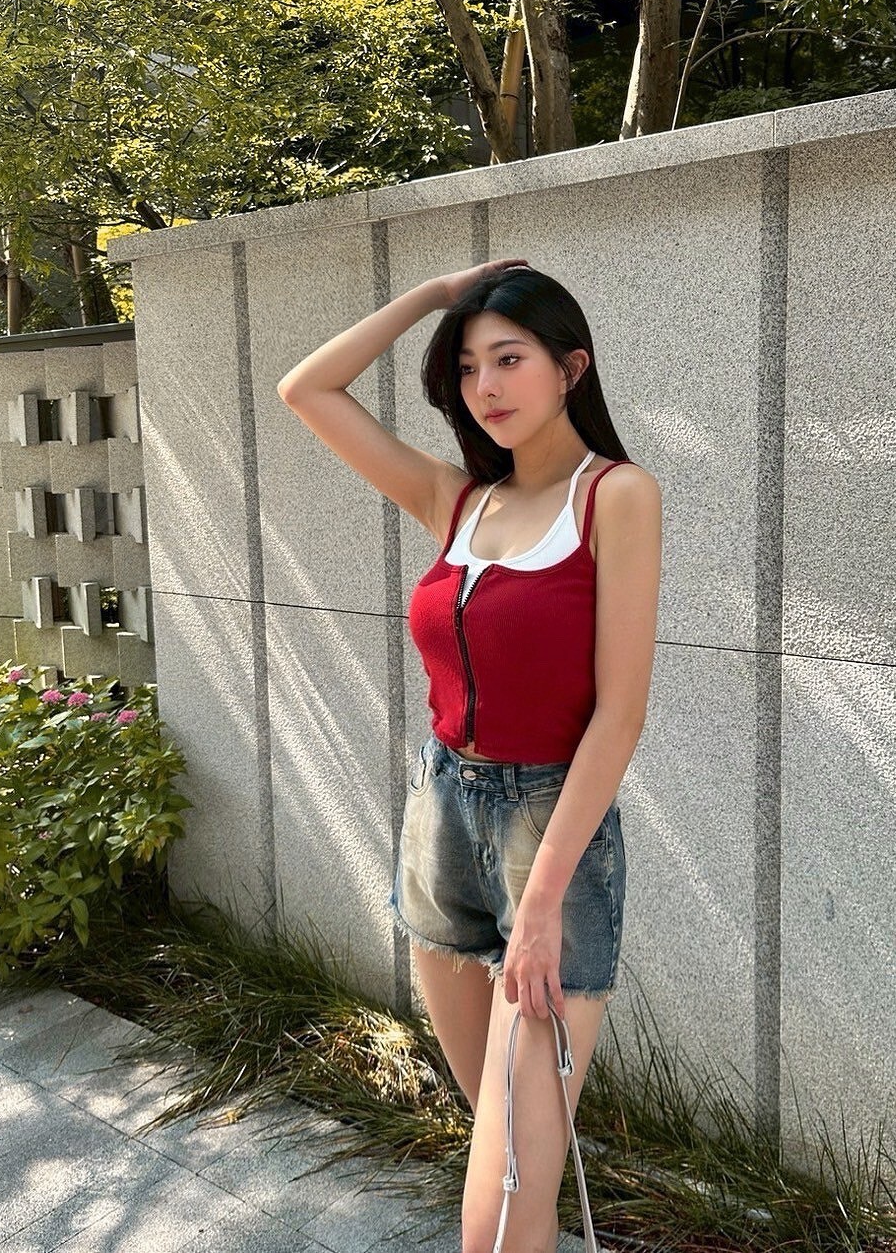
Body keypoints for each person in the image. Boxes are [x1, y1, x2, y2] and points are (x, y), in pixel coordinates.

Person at [277, 258, 661, 1252]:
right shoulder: (458, 501)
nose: (485, 385)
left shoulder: (615, 496)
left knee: (500, 1202)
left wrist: (541, 904)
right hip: (440, 819)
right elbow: (307, 389)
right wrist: (432, 296)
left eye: (509, 358)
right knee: (495, 1141)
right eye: (466, 366)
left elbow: (619, 715)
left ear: (572, 366)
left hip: (550, 839)